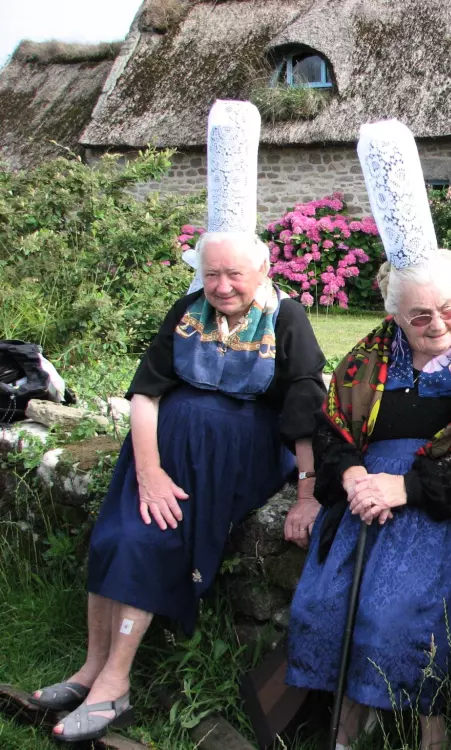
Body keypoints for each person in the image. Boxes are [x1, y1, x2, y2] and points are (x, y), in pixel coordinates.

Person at [30, 101, 327, 744]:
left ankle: (116, 685)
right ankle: (88, 669)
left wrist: (307, 492)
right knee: (116, 535)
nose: (221, 285)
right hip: (162, 456)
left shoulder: (289, 318)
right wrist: (148, 471)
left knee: (151, 541)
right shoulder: (186, 309)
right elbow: (146, 394)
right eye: (211, 272)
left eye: (234, 274)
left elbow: (304, 404)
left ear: (263, 271)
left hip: (236, 454)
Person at [285, 120, 451, 750]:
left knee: (398, 617)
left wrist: (407, 488)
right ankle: (343, 730)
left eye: (449, 308)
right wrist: (353, 476)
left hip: (440, 505)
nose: (439, 323)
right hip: (367, 497)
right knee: (324, 606)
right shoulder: (369, 354)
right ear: (394, 314)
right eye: (420, 315)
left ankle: (432, 737)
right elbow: (333, 427)